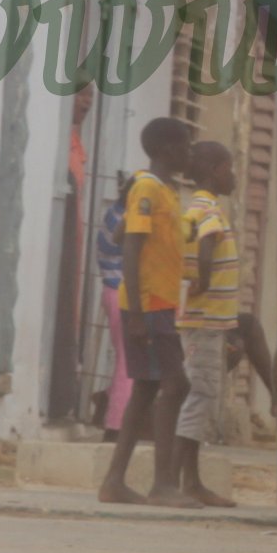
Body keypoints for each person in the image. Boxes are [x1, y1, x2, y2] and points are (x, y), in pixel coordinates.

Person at [99, 116, 195, 507]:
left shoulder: (161, 190)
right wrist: (137, 315)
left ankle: (114, 481)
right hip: (148, 305)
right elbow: (130, 246)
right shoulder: (147, 188)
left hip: (161, 305)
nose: (189, 153)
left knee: (146, 389)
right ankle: (163, 484)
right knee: (177, 386)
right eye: (185, 146)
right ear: (167, 150)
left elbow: (122, 231)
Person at [172, 138, 245, 509]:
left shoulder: (195, 207)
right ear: (216, 171)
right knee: (200, 395)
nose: (233, 176)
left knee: (200, 395)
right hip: (203, 321)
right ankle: (182, 481)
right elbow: (205, 247)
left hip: (206, 322)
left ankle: (190, 481)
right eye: (229, 168)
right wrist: (201, 280)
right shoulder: (209, 211)